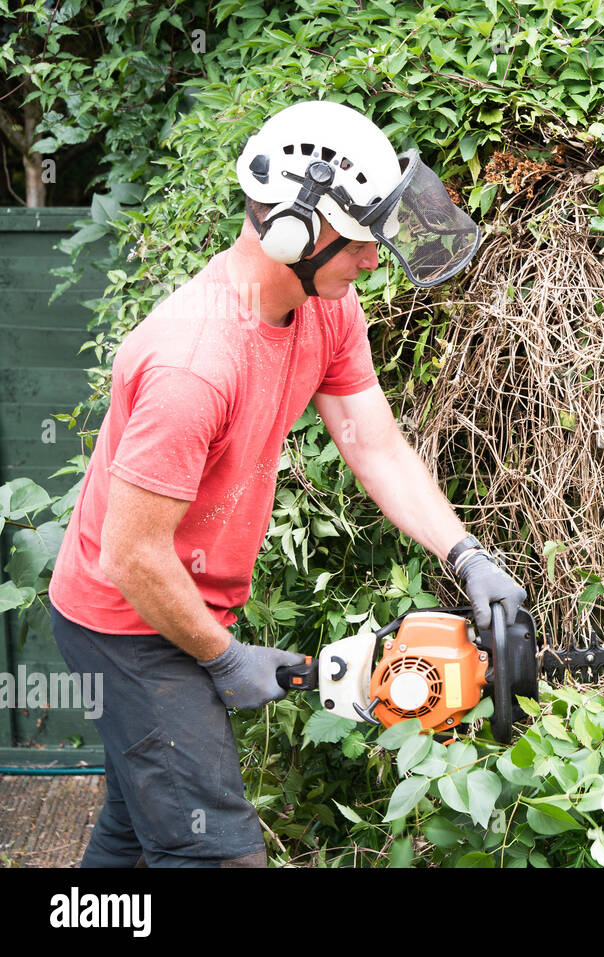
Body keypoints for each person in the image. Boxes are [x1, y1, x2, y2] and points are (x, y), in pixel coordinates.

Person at [47, 100, 527, 867]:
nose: (372, 260)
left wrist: (464, 552)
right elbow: (133, 557)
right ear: (294, 232)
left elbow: (372, 440)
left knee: (138, 828)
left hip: (171, 600)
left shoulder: (323, 307)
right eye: (362, 242)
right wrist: (222, 655)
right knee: (215, 852)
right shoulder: (192, 364)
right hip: (127, 624)